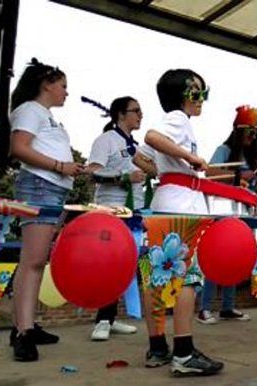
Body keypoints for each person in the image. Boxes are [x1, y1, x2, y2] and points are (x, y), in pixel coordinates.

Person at [143, 69, 224, 376]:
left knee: (156, 274)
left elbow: (140, 156)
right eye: (198, 92)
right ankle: (184, 352)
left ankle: (157, 347)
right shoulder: (179, 120)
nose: (202, 99)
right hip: (181, 204)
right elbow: (151, 137)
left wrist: (164, 169)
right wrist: (189, 161)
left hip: (165, 198)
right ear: (186, 94)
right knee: (187, 276)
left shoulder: (177, 122)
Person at [8, 58, 84, 361]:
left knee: (35, 260)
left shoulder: (47, 116)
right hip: (39, 186)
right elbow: (19, 148)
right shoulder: (30, 110)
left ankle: (25, 325)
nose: (66, 92)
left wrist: (70, 169)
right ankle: (24, 332)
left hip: (53, 188)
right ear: (46, 85)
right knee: (34, 260)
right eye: (63, 86)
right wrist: (59, 165)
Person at [196, 105, 257, 325]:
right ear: (239, 132)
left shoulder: (249, 156)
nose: (252, 138)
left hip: (241, 213)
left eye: (256, 134)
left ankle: (227, 307)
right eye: (250, 133)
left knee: (233, 259)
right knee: (216, 259)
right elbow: (209, 173)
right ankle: (204, 308)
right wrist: (237, 176)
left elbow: (251, 186)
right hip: (221, 211)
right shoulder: (224, 149)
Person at [85, 96, 150, 341]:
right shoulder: (106, 140)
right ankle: (102, 319)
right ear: (121, 114)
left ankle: (110, 318)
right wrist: (123, 178)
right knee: (109, 265)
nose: (140, 115)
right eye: (136, 111)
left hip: (133, 213)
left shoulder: (136, 145)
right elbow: (91, 174)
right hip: (111, 211)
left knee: (125, 267)